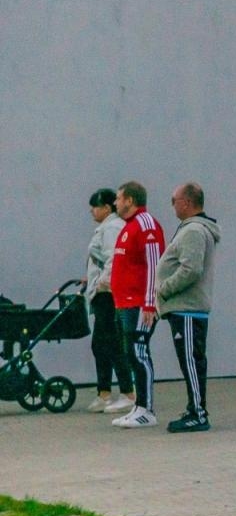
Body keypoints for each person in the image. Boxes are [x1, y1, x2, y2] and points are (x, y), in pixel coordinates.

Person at [155, 182, 220, 433]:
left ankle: (198, 413)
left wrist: (164, 288)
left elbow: (191, 269)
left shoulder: (193, 230)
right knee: (190, 361)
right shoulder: (192, 229)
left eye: (174, 200)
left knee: (191, 361)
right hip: (184, 309)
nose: (172, 205)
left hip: (188, 309)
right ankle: (194, 407)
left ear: (186, 202)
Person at [106, 181, 166, 428]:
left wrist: (150, 303)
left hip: (140, 304)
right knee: (131, 354)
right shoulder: (128, 227)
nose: (115, 203)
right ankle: (139, 406)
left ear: (130, 200)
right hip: (124, 303)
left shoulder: (146, 224)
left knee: (139, 354)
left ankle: (147, 411)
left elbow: (155, 265)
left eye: (119, 199)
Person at [83, 187, 134, 414]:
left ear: (106, 207)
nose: (92, 211)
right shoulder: (105, 227)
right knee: (101, 344)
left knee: (111, 343)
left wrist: (104, 283)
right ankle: (104, 393)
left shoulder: (113, 227)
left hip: (108, 294)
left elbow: (115, 258)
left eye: (95, 206)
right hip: (101, 292)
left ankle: (127, 392)